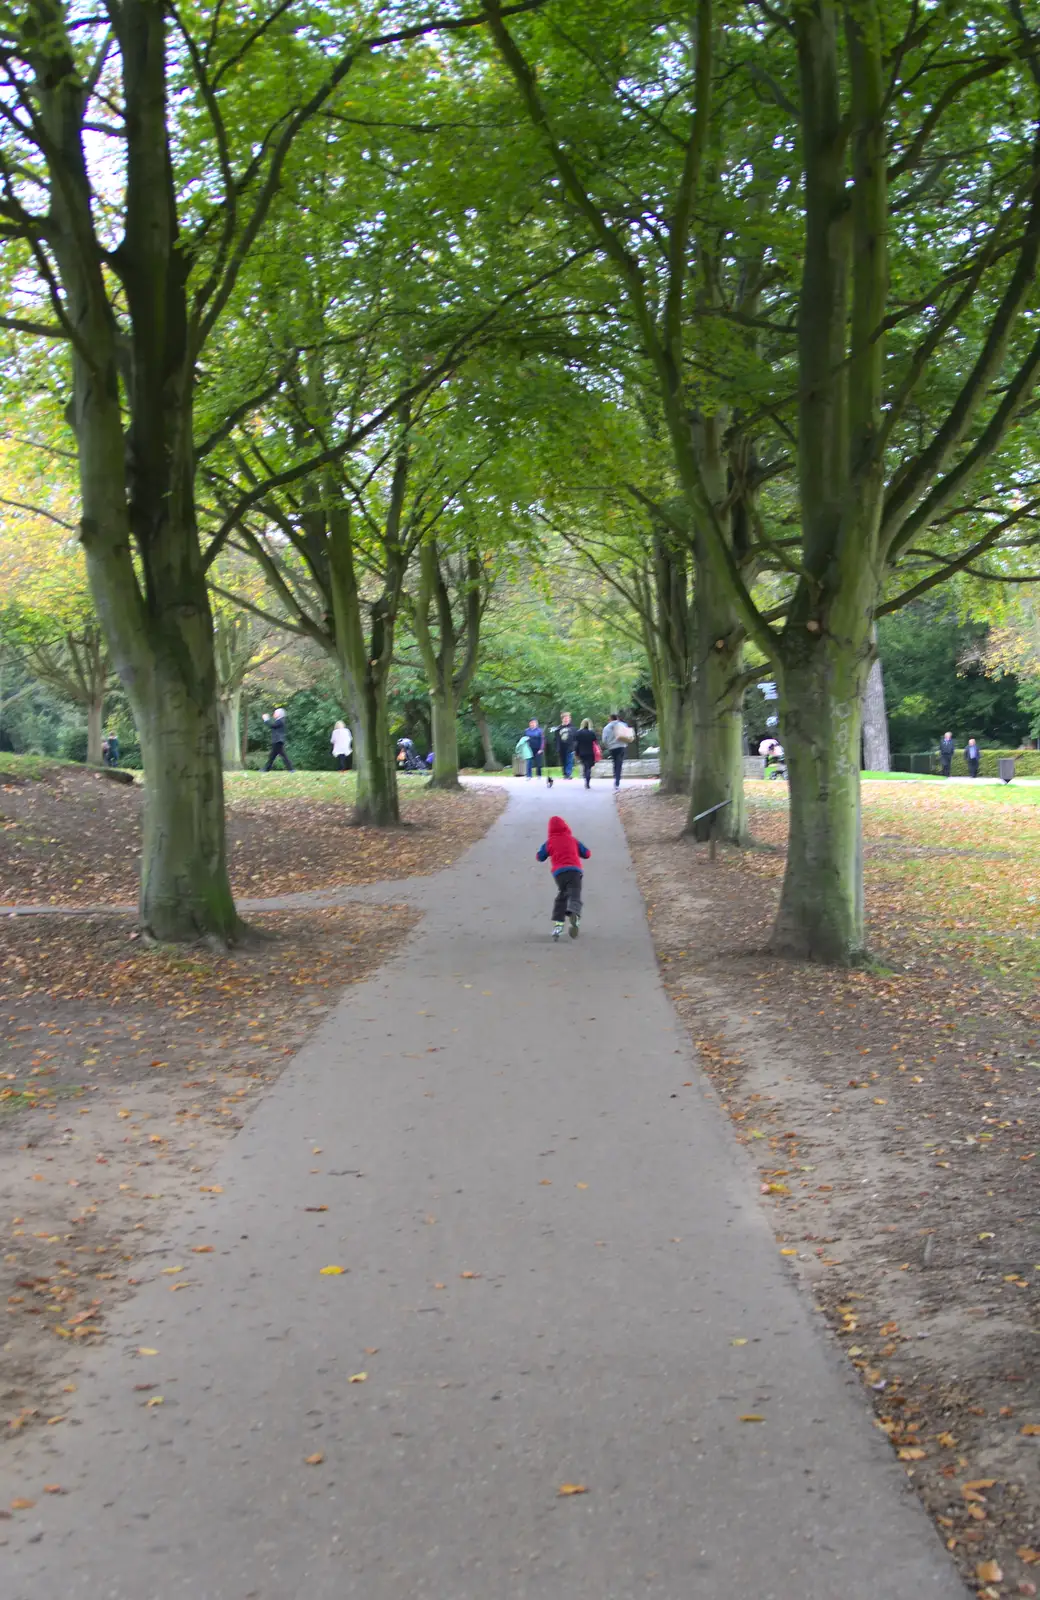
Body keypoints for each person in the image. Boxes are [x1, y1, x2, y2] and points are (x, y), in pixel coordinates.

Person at [536, 814, 591, 941]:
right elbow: (587, 854)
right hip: (575, 871)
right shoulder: (573, 840)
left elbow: (540, 857)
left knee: (562, 895)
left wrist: (543, 853)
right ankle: (574, 914)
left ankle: (558, 924)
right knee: (575, 894)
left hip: (559, 874)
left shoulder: (549, 842)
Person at [600, 711, 633, 790]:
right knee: (620, 762)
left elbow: (604, 740)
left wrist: (608, 745)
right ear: (617, 718)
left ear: (610, 719)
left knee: (615, 762)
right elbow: (628, 735)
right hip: (622, 746)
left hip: (612, 748)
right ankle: (618, 779)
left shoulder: (606, 727)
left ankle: (616, 778)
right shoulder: (623, 725)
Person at [262, 707, 294, 771]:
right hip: (277, 741)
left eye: (275, 713)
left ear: (279, 714)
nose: (274, 714)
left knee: (281, 755)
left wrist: (266, 719)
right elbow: (273, 725)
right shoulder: (279, 721)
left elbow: (272, 725)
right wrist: (267, 719)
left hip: (278, 741)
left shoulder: (280, 721)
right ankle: (266, 769)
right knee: (272, 756)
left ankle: (291, 769)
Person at [574, 718, 598, 789]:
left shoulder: (578, 733)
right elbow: (595, 742)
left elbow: (576, 743)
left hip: (582, 752)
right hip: (590, 752)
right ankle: (588, 781)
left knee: (585, 766)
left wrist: (576, 752)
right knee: (588, 767)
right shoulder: (591, 733)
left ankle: (586, 779)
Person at [556, 712, 577, 780]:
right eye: (565, 718)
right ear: (562, 719)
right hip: (562, 747)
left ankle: (568, 773)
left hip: (570, 747)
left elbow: (575, 738)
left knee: (569, 760)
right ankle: (565, 773)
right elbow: (557, 739)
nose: (566, 720)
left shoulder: (573, 728)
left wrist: (575, 746)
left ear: (570, 719)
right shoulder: (558, 728)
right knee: (563, 761)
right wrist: (557, 747)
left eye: (568, 718)